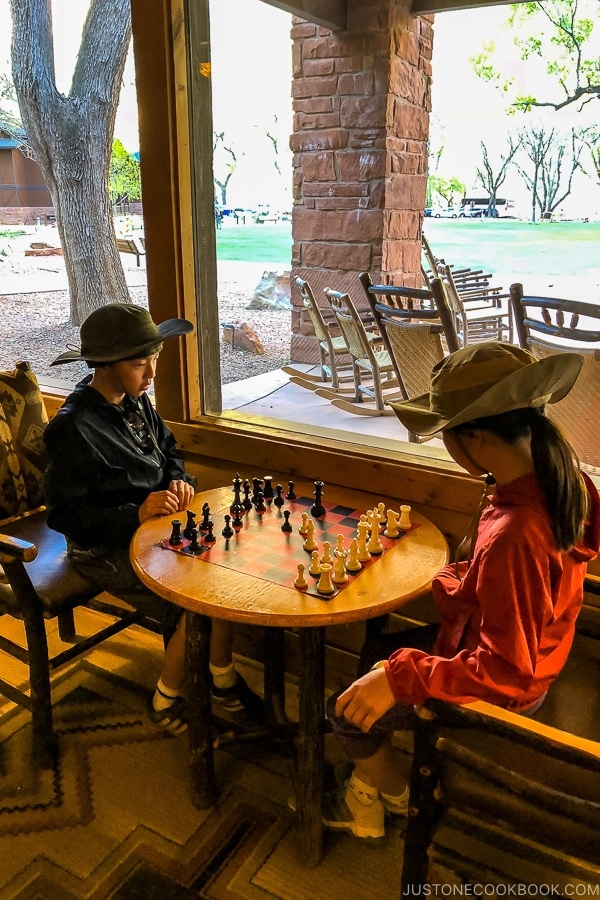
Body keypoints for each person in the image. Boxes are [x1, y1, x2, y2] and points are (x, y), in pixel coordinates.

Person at [322, 342, 600, 840]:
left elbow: (504, 673)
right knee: (376, 652)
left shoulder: (517, 533)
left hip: (509, 688)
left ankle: (378, 801)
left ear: (474, 436)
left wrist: (400, 679)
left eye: (447, 435)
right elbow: (510, 594)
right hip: (527, 652)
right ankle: (375, 781)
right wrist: (459, 581)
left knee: (343, 712)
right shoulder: (557, 480)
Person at [44, 303, 263, 733]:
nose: (151, 374)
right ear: (104, 366)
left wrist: (180, 481)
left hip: (157, 530)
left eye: (155, 360)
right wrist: (136, 511)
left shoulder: (137, 402)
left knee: (226, 574)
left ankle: (221, 678)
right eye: (141, 363)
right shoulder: (73, 428)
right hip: (101, 546)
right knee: (195, 599)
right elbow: (65, 515)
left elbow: (171, 453)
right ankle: (166, 697)